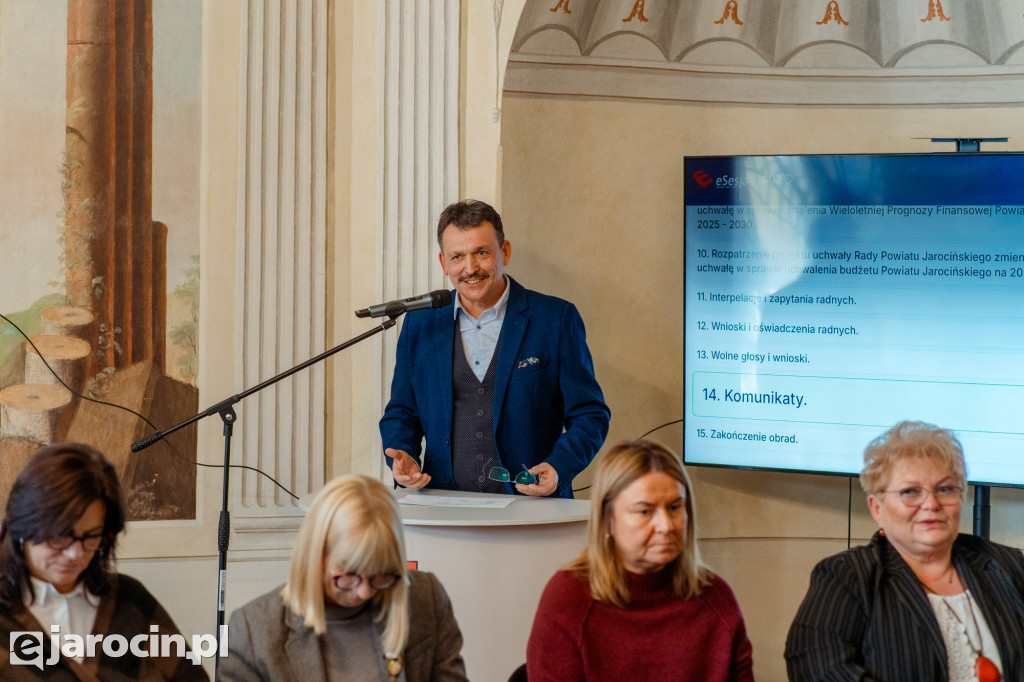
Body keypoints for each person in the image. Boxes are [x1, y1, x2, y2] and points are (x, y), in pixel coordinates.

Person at [379, 199, 610, 497]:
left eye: (482, 253)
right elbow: (401, 412)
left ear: (505, 252)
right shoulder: (420, 324)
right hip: (442, 511)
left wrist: (558, 467)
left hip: (531, 511)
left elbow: (590, 414)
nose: (470, 268)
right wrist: (401, 456)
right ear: (443, 263)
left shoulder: (555, 319)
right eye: (458, 257)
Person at [785, 420, 1024, 681]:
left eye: (945, 489)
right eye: (911, 492)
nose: (931, 503)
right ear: (877, 508)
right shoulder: (846, 577)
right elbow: (820, 670)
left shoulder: (1007, 565)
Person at [526, 440, 754, 681]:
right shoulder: (568, 598)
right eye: (645, 511)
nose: (665, 526)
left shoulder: (716, 598)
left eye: (675, 507)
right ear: (608, 519)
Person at [217, 473, 467, 682]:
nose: (365, 592)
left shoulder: (427, 598)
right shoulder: (253, 631)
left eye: (381, 576)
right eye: (349, 576)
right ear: (315, 556)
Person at [0, 441, 208, 681]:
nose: (75, 554)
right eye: (60, 537)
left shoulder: (130, 600)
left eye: (91, 537)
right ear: (23, 525)